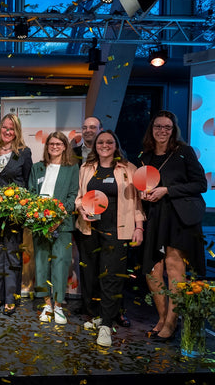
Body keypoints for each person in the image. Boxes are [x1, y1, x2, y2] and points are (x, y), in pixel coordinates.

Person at [140, 110, 207, 341]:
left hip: (178, 217)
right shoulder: (145, 156)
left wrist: (168, 190)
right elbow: (143, 184)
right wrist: (143, 195)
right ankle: (161, 317)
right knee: (152, 270)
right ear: (152, 129)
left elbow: (200, 184)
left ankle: (170, 322)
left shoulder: (184, 152)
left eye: (167, 127)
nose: (162, 131)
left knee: (174, 268)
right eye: (158, 126)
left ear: (173, 130)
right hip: (155, 217)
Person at [76, 130, 145, 347]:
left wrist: (139, 227)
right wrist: (81, 210)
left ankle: (106, 324)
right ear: (95, 145)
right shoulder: (86, 168)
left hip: (118, 230)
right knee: (92, 275)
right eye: (101, 142)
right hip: (90, 228)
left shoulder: (128, 168)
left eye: (109, 142)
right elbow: (79, 197)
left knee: (111, 276)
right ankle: (98, 315)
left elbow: (136, 202)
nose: (104, 145)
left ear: (116, 145)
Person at [0, 114, 32, 315]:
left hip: (13, 214)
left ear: (17, 131)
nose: (8, 131)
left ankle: (11, 298)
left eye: (12, 128)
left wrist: (20, 206)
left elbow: (27, 182)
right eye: (4, 127)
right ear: (0, 129)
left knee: (11, 254)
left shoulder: (24, 153)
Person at [28, 131, 79, 326]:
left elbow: (72, 197)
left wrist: (56, 218)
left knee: (60, 265)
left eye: (59, 144)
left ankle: (58, 306)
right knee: (41, 265)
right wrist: (40, 219)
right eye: (51, 144)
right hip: (39, 225)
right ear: (47, 146)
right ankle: (46, 305)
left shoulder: (72, 168)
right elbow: (32, 193)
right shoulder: (37, 168)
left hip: (62, 225)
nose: (55, 147)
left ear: (65, 146)